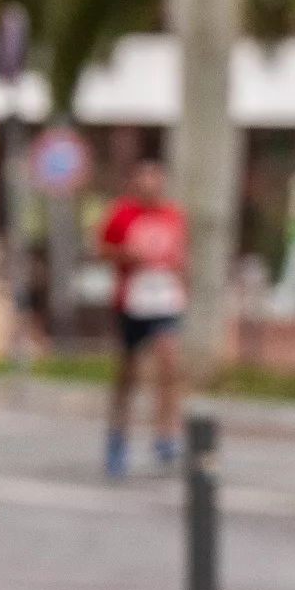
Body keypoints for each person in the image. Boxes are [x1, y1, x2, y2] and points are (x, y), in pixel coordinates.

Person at [98, 158, 186, 478]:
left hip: (164, 300)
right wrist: (126, 255)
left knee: (169, 362)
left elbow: (180, 254)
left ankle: (166, 433)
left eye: (156, 180)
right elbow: (102, 250)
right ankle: (117, 437)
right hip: (131, 303)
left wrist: (180, 278)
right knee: (129, 373)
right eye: (144, 181)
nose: (150, 187)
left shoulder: (173, 215)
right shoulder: (121, 214)